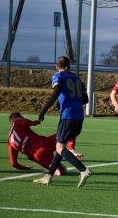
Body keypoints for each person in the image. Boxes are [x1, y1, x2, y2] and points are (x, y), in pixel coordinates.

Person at [33, 56, 91, 188]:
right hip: (79, 117)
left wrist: (44, 109)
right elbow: (86, 99)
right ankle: (49, 176)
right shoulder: (76, 78)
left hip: (68, 116)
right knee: (60, 146)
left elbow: (57, 90)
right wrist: (72, 101)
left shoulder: (58, 75)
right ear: (69, 66)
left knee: (59, 147)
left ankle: (83, 170)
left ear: (56, 66)